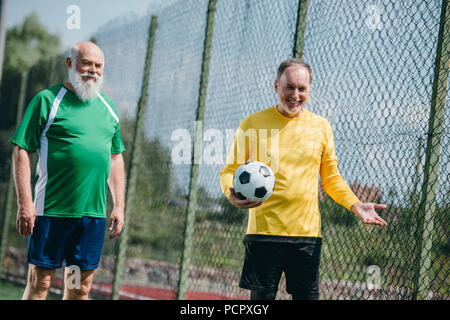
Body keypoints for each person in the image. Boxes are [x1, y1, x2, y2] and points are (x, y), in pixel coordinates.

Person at [219, 58, 387, 300]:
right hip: (264, 234)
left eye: (302, 89)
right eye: (289, 87)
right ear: (276, 86)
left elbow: (331, 178)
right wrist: (232, 194)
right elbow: (229, 170)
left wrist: (355, 204)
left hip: (306, 236)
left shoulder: (321, 127)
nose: (295, 95)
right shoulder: (253, 123)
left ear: (309, 90)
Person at [10, 41, 126, 300]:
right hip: (51, 212)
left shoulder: (108, 108)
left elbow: (115, 158)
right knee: (41, 283)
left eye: (98, 66)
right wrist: (25, 203)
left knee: (79, 287)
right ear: (70, 63)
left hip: (91, 217)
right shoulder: (47, 100)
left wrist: (119, 205)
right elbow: (21, 151)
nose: (92, 71)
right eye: (86, 63)